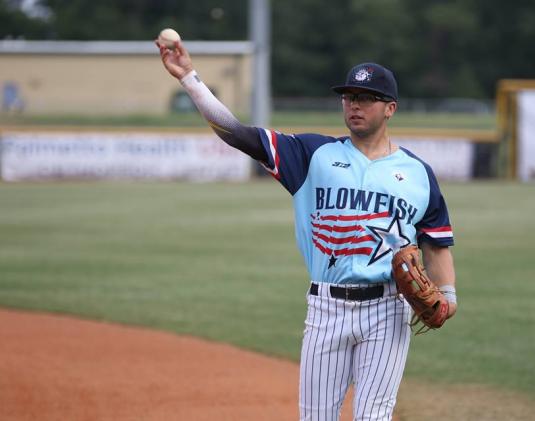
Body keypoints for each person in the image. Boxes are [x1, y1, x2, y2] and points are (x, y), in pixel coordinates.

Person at [157, 39, 457, 421]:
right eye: (349, 96)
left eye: (365, 98)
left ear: (390, 108)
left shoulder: (418, 174)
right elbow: (236, 133)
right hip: (325, 307)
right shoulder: (312, 154)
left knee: (373, 417)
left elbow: (437, 242)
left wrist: (448, 296)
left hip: (387, 309)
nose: (354, 105)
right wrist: (190, 78)